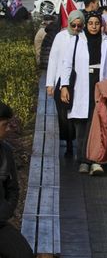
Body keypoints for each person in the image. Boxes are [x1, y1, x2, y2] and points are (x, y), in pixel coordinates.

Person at [60, 11, 107, 176]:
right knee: (82, 125)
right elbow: (67, 64)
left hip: (101, 84)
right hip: (82, 86)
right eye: (91, 23)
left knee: (100, 123)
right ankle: (84, 159)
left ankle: (97, 160)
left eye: (97, 23)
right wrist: (64, 86)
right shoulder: (77, 40)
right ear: (86, 24)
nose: (94, 26)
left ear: (101, 25)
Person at [0, 101, 34, 258]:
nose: (7, 129)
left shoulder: (5, 151)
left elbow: (13, 189)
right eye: (4, 125)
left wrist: (5, 211)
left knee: (23, 253)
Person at [46, 12, 83, 157]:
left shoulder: (83, 38)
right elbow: (53, 59)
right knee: (63, 116)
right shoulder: (60, 37)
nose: (76, 28)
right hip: (61, 80)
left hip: (78, 81)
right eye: (73, 25)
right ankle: (68, 144)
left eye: (79, 26)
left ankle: (76, 143)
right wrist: (50, 83)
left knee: (75, 116)